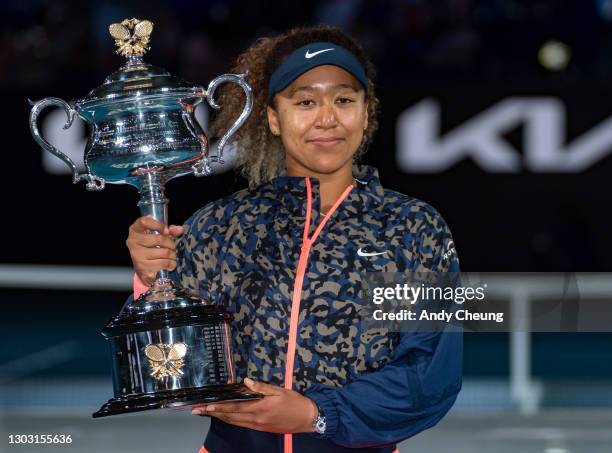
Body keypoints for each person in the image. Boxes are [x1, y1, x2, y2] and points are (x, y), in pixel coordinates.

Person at [126, 25, 462, 453]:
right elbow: (164, 374)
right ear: (272, 117)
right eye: (305, 102)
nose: (327, 118)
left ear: (366, 113)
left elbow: (429, 375)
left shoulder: (413, 228)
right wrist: (150, 281)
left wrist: (315, 414)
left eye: (344, 100)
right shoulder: (219, 226)